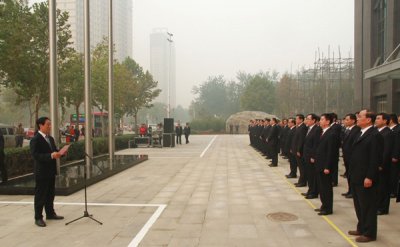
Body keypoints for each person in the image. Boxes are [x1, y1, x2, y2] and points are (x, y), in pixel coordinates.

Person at [348, 110, 383, 243]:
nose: (357, 118)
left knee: (368, 206)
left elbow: (375, 158)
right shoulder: (361, 132)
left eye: (360, 116)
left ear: (368, 120)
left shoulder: (374, 135)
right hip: (356, 175)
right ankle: (361, 227)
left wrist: (369, 176)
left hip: (365, 177)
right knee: (359, 205)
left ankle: (369, 233)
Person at [30, 117, 64, 227]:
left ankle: (50, 213)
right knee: (40, 195)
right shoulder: (35, 139)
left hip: (51, 171)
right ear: (40, 125)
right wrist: (50, 155)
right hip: (42, 172)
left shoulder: (50, 138)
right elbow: (36, 155)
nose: (50, 126)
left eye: (50, 124)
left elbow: (55, 151)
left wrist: (61, 152)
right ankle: (38, 217)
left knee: (50, 194)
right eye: (48, 124)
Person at [313, 113, 338, 216]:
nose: (320, 121)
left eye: (322, 119)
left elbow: (331, 152)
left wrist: (327, 166)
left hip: (325, 166)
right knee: (321, 187)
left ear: (328, 121)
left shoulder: (331, 134)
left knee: (326, 188)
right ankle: (323, 205)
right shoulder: (323, 132)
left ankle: (328, 208)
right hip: (320, 164)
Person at [302, 113, 321, 199]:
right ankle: (310, 190)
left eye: (308, 119)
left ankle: (314, 192)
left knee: (313, 175)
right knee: (309, 174)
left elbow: (316, 144)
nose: (307, 120)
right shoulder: (309, 129)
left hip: (311, 157)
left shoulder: (317, 129)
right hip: (307, 155)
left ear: (314, 120)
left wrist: (313, 156)